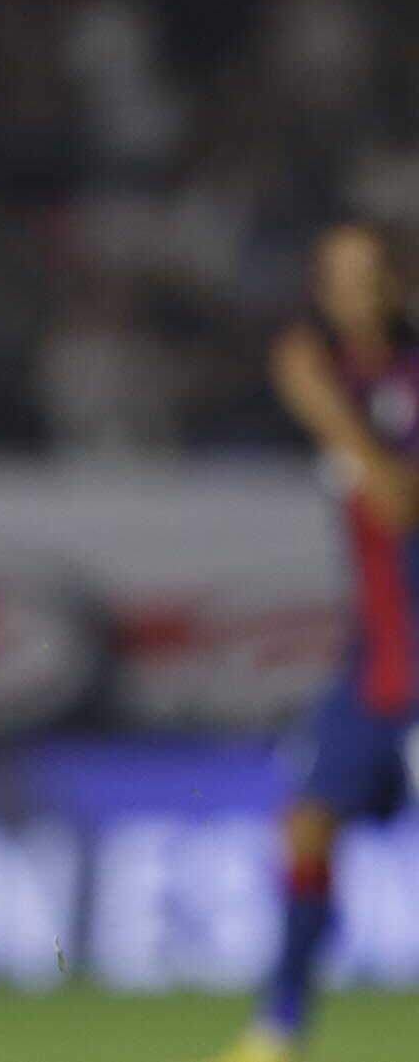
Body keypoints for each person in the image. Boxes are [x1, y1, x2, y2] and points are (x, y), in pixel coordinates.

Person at [211, 223, 419, 1062]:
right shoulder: (335, 373)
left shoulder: (392, 379)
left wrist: (323, 408)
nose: (353, 293)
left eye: (367, 275)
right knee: (305, 824)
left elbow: (398, 503)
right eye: (336, 277)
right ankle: (280, 1025)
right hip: (376, 659)